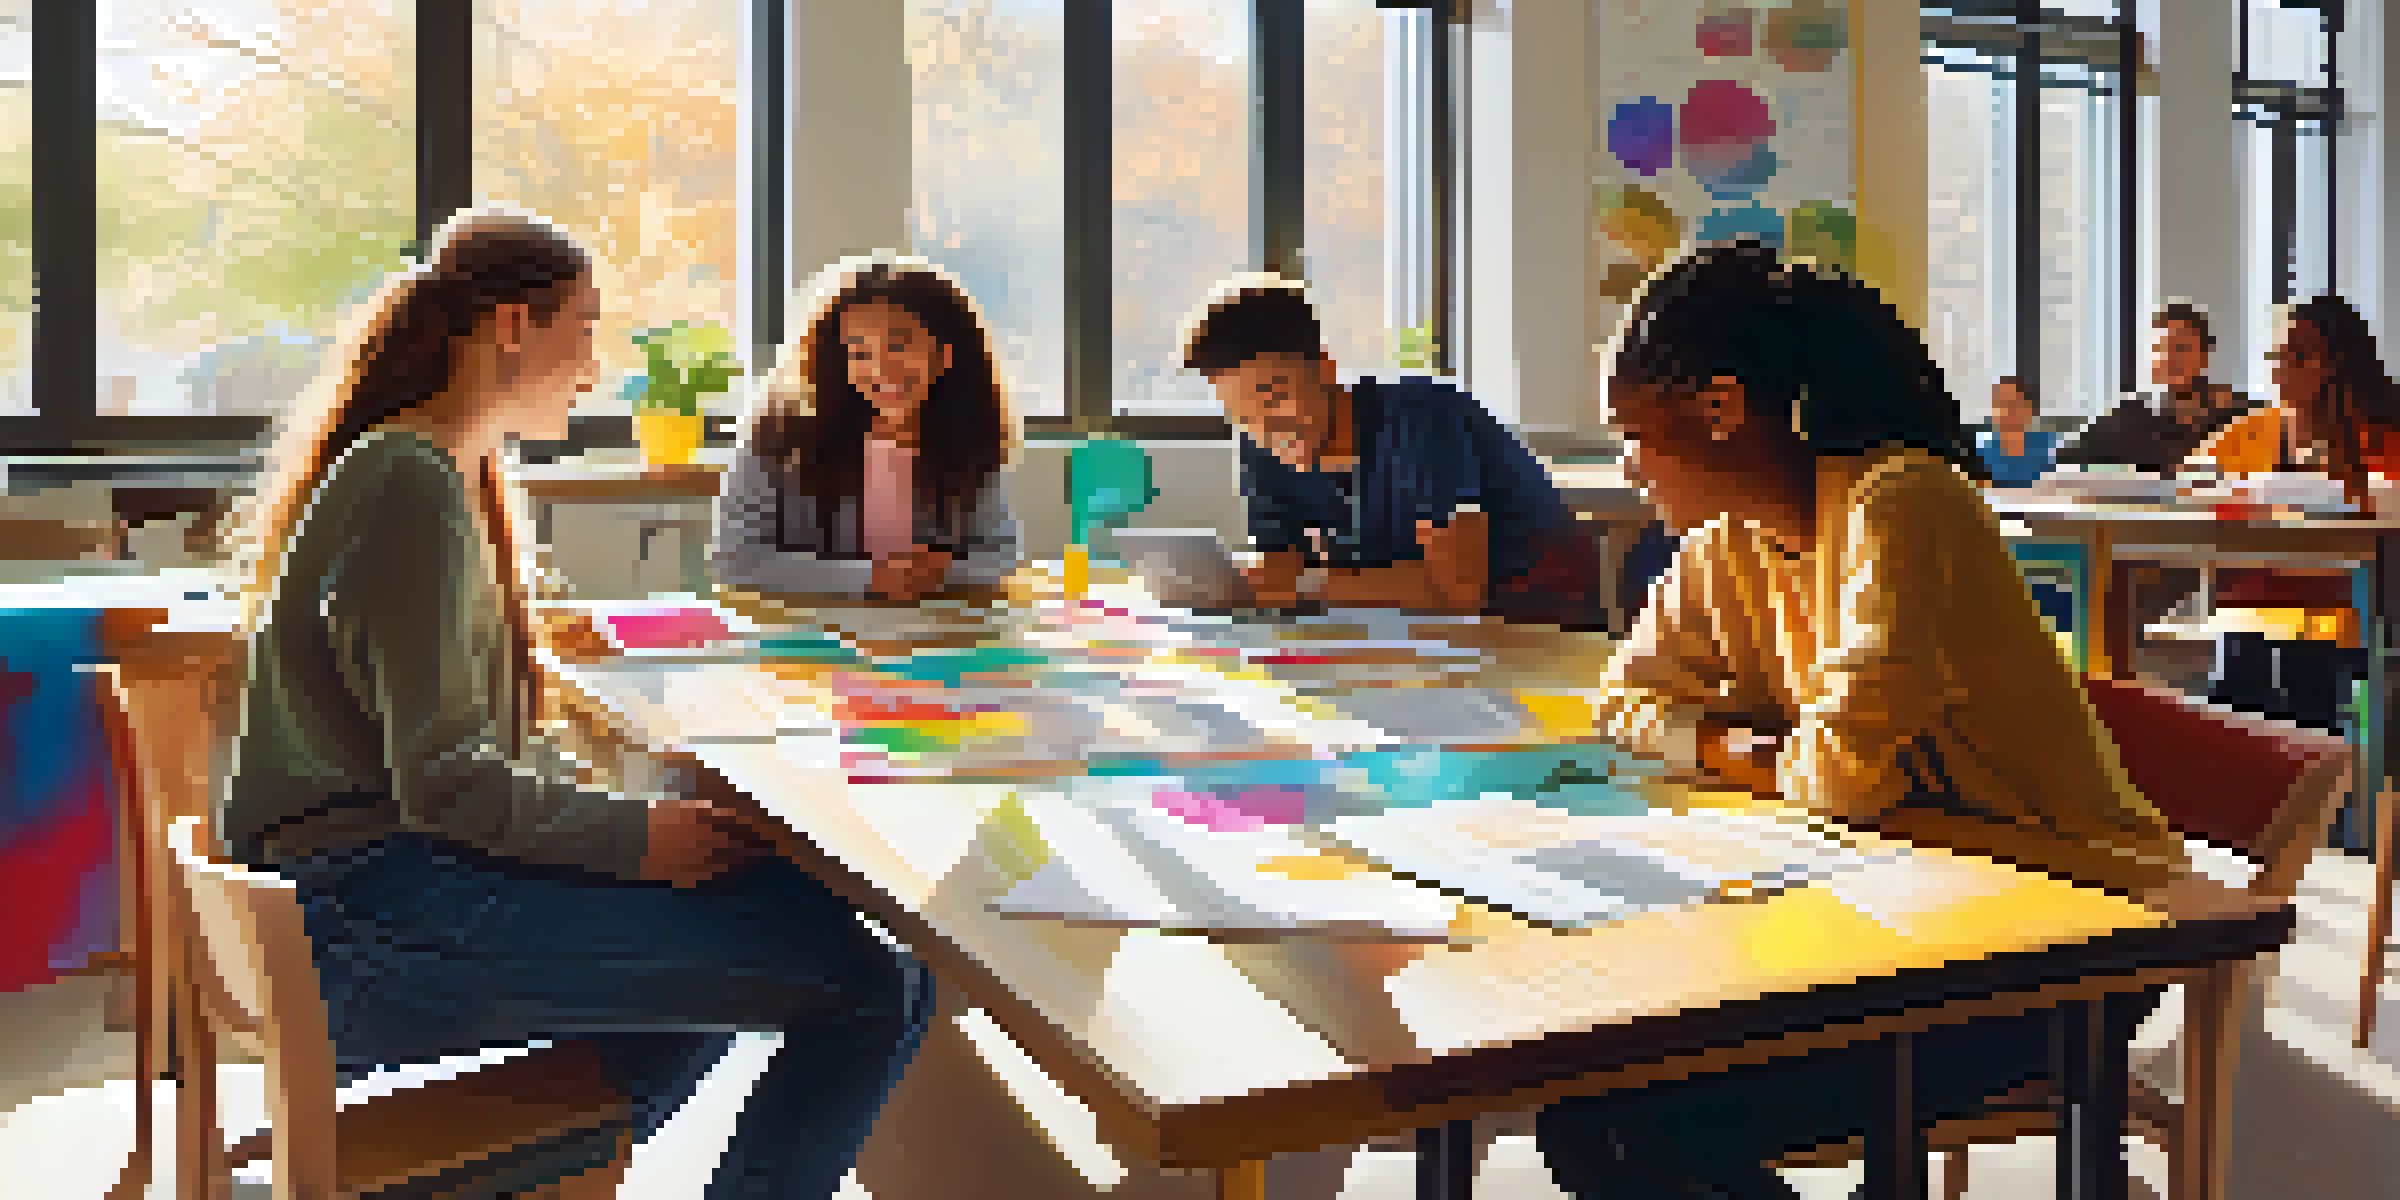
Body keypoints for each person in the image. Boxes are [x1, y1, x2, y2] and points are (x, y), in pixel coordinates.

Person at [223, 210, 932, 1198]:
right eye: (586, 329)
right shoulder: (409, 483)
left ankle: (530, 1175)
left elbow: (465, 762)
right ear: (513, 325)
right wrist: (638, 839)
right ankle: (512, 1175)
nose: (595, 370)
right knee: (874, 983)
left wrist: (638, 833)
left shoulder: (435, 467)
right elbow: (447, 785)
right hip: (367, 919)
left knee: (759, 931)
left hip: (365, 894)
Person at [1533, 240, 2189, 1200]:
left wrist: (1753, 753)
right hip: (1907, 904)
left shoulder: (1905, 502)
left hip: (2075, 932)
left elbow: (1840, 777)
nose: (1628, 466)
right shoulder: (1728, 544)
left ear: (1721, 409)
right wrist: (1733, 745)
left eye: (1633, 434)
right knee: (1590, 1102)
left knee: (1624, 1124)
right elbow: (1623, 701)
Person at [1180, 276, 1598, 625]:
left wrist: (1304, 584)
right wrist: (1232, 583)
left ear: (1325, 367)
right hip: (1415, 637)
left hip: (1538, 625)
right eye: (1242, 415)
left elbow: (1459, 594)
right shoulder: (1261, 444)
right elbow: (1280, 570)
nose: (1266, 427)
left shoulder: (1422, 419)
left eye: (1274, 397)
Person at [715, 255, 1018, 602]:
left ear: (944, 354)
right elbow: (736, 561)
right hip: (810, 632)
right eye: (859, 352)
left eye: (898, 346)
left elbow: (1001, 555)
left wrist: (942, 571)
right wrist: (870, 578)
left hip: (933, 630)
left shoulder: (967, 439)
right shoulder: (777, 436)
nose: (880, 368)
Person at [2186, 295, 2400, 730]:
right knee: (2239, 680)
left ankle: (2324, 765)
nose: (2281, 369)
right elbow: (2193, 484)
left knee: (2312, 679)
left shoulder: (2375, 438)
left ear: (2335, 365)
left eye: (2298, 357)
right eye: (2276, 356)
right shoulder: (2249, 431)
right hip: (2252, 604)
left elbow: (2384, 509)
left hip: (2345, 604)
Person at [2053, 301, 2254, 473]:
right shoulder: (2129, 415)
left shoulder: (2239, 412)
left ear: (2204, 354)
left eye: (2181, 348)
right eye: (2159, 349)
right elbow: (2066, 463)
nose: (2169, 358)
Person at [1974, 374, 2060, 486]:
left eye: (2012, 403)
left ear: (2028, 408)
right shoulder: (1983, 444)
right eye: (2000, 404)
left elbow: (2054, 483)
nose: (2005, 411)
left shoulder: (2047, 443)